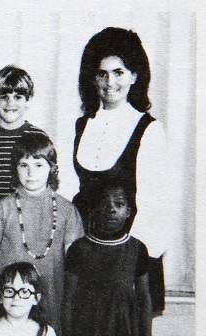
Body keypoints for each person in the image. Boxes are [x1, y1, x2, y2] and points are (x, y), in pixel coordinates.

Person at [66, 27, 173, 314]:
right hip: (87, 260)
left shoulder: (149, 130)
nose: (109, 82)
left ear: (135, 76)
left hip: (128, 266)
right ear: (92, 77)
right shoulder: (81, 125)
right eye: (102, 73)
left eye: (118, 72)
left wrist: (124, 267)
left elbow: (155, 208)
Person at [61, 185, 155, 336]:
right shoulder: (79, 250)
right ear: (92, 209)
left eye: (119, 204)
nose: (111, 208)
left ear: (129, 212)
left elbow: (145, 301)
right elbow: (69, 299)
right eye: (105, 202)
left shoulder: (137, 250)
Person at [0, 132, 83, 330]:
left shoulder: (67, 211)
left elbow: (74, 268)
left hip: (53, 305)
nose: (31, 173)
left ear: (52, 169)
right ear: (15, 169)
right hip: (9, 305)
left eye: (39, 165)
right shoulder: (1, 209)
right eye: (24, 165)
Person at [0, 65, 50, 206]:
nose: (10, 103)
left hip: (27, 216)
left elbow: (47, 182)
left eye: (18, 97)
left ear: (28, 100)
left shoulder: (38, 136)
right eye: (4, 97)